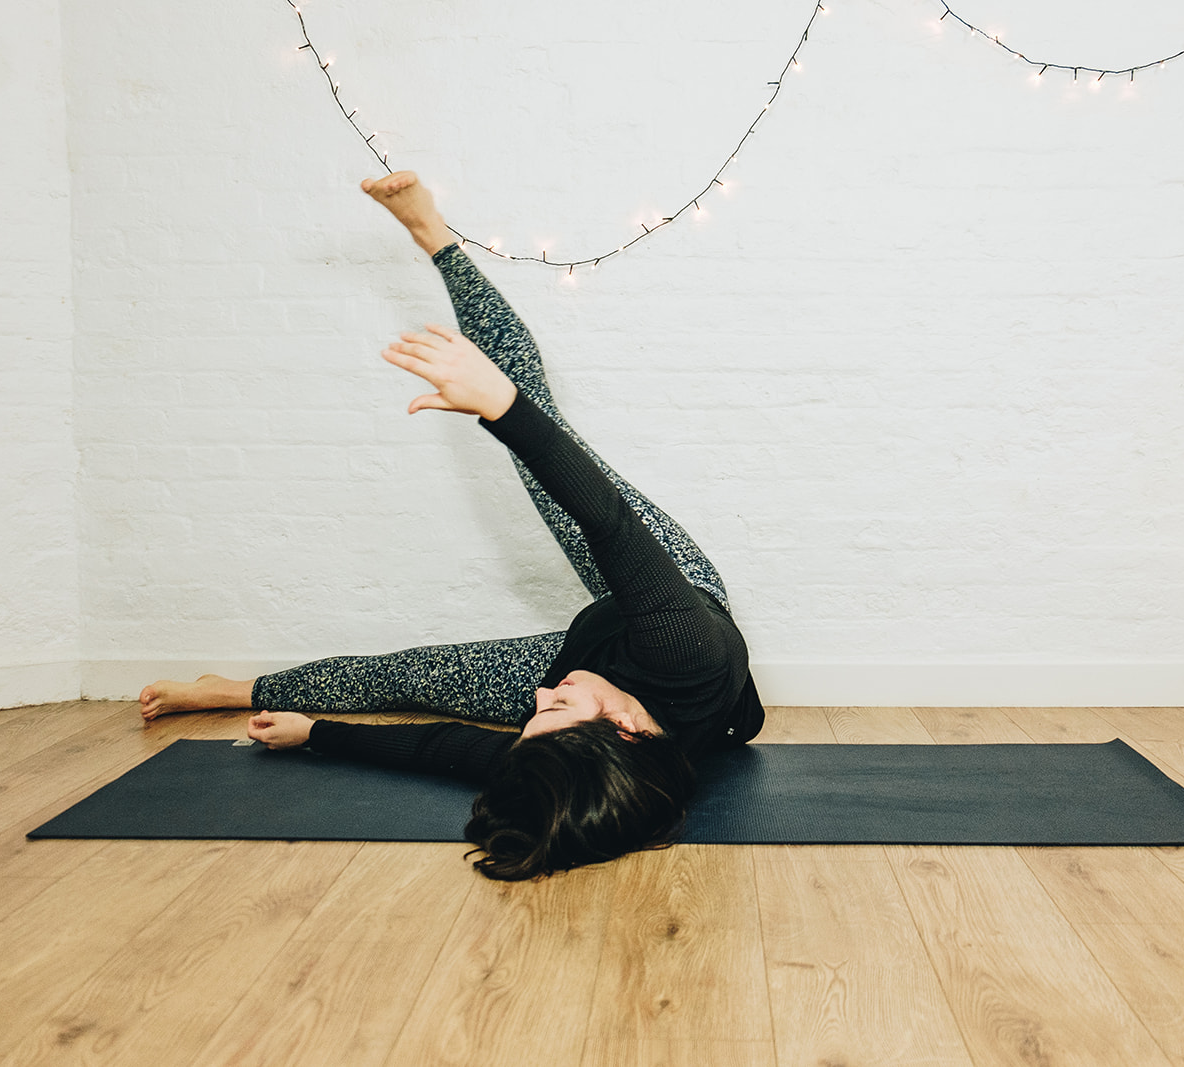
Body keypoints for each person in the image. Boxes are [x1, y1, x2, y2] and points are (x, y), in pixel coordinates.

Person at [138, 172, 763, 879]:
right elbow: (610, 525)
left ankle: (240, 687)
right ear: (624, 728)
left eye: (537, 713)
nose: (537, 697)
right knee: (545, 452)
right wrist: (503, 406)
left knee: (410, 674)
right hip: (670, 603)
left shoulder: (563, 746)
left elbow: (438, 746)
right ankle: (433, 233)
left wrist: (316, 733)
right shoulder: (688, 652)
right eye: (556, 704)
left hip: (596, 653)